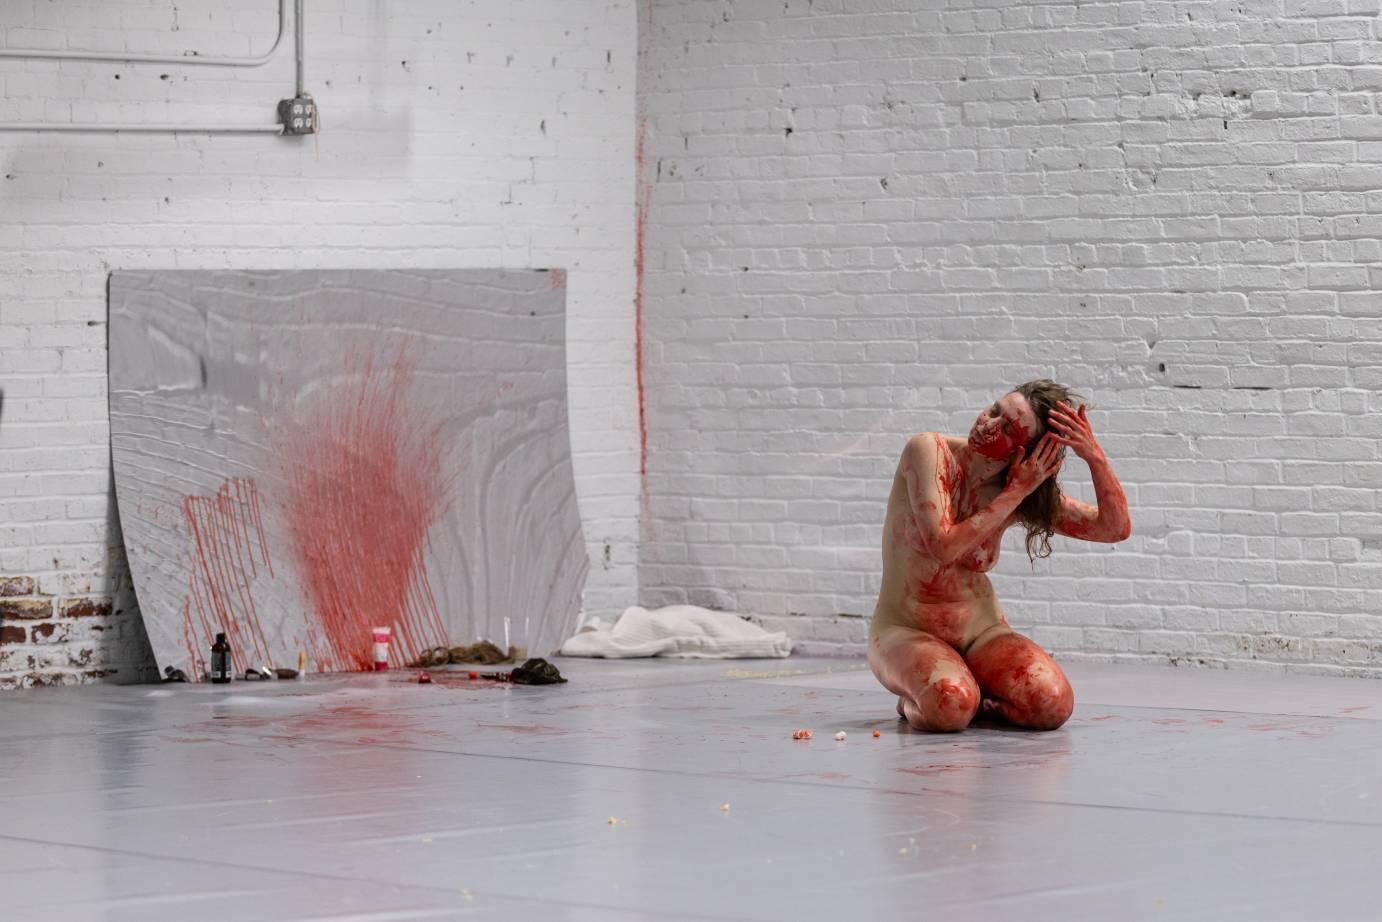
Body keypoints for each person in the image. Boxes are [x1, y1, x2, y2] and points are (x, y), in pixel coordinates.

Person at [869, 380, 1131, 732]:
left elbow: (1112, 528)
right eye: (994, 410)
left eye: (1007, 427)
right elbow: (944, 547)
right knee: (949, 707)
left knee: (1053, 704)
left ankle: (973, 697)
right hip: (905, 629)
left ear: (1026, 452)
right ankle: (921, 699)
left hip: (981, 631)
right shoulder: (929, 451)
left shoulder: (1018, 491)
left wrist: (1093, 456)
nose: (986, 422)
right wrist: (1015, 492)